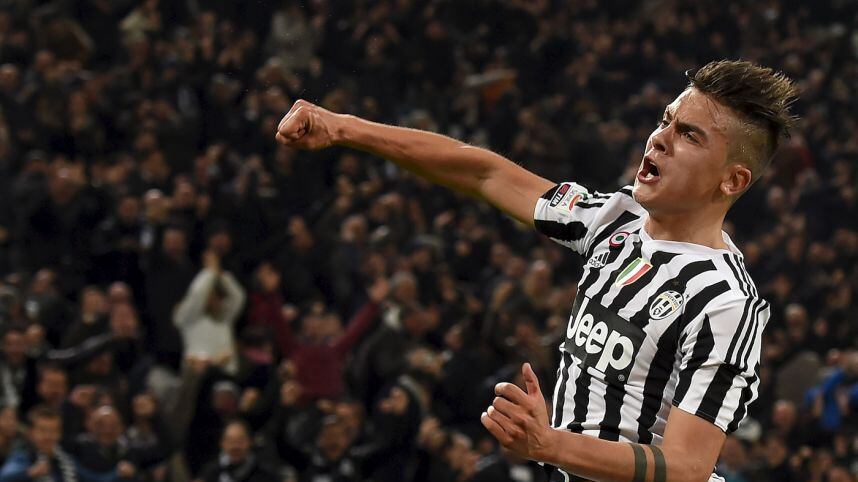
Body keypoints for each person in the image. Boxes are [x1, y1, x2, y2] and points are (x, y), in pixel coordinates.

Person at [274, 59, 798, 482]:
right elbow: (484, 173)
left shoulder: (724, 300)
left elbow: (687, 467)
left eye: (690, 136)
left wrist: (549, 445)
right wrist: (342, 126)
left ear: (732, 181)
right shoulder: (615, 220)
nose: (659, 139)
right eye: (665, 120)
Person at [0, 405, 79, 482]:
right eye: (42, 430)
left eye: (54, 430)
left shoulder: (67, 460)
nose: (48, 436)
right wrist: (30, 473)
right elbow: (3, 478)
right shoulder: (23, 457)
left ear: (60, 433)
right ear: (31, 433)